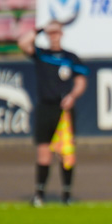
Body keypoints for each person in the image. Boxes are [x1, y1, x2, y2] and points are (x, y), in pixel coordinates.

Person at [18, 21, 89, 207]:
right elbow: (22, 43)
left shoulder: (71, 57)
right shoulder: (42, 54)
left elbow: (81, 81)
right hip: (45, 108)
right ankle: (39, 194)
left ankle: (66, 195)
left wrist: (72, 96)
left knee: (65, 152)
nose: (54, 36)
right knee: (43, 152)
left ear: (62, 34)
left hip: (63, 110)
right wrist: (39, 29)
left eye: (56, 32)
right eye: (51, 33)